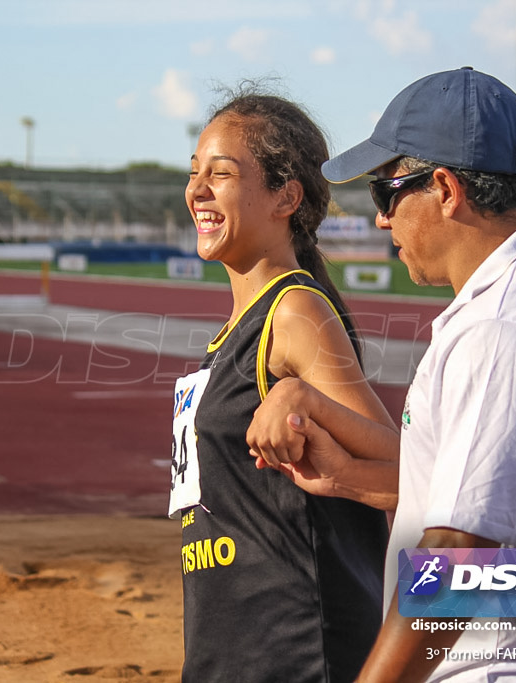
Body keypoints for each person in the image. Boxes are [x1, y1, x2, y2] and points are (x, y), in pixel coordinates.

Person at [247, 67, 516, 681]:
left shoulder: (501, 329)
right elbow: (501, 510)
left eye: (386, 193)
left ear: (447, 187)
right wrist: (349, 477)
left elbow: (460, 551)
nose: (381, 219)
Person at [171, 86, 399, 682]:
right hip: (232, 646)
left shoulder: (295, 312)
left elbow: (408, 466)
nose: (196, 190)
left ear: (285, 197)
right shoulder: (233, 333)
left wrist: (301, 398)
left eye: (220, 174)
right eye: (194, 173)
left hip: (298, 650)